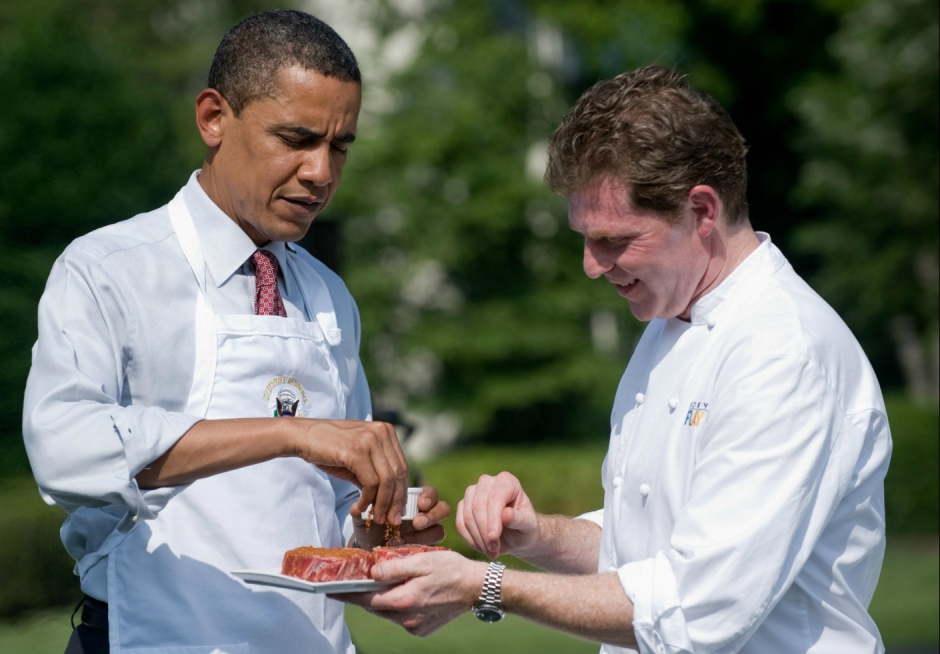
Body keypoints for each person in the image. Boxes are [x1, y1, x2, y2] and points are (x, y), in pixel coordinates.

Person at [337, 66, 891, 654]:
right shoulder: (667, 320)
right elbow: (644, 546)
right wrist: (536, 534)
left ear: (701, 210)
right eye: (584, 237)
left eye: (614, 240)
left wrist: (484, 584)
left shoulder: (783, 352)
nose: (591, 265)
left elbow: (696, 612)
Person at [22, 10, 448, 654]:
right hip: (147, 638)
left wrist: (378, 537)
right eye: (297, 138)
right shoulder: (109, 268)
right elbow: (64, 451)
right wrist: (288, 433)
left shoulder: (329, 295)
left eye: (340, 146)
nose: (321, 172)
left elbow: (325, 507)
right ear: (213, 117)